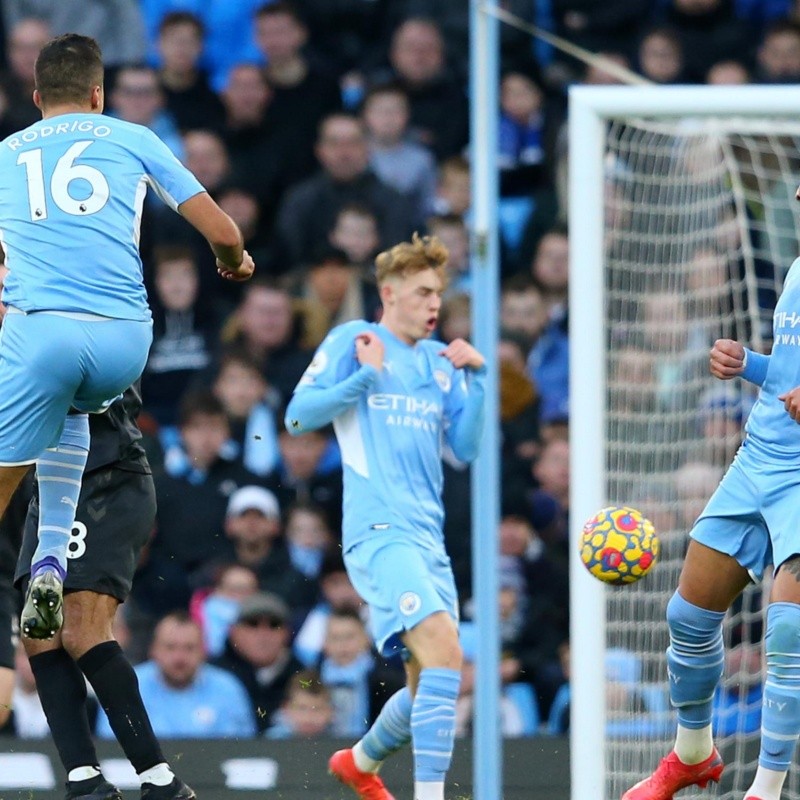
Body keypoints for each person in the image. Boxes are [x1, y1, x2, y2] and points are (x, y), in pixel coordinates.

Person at [0, 33, 254, 641]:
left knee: (9, 464)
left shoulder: (7, 152)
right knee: (71, 410)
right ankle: (50, 564)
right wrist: (236, 260)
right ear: (98, 94)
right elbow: (221, 229)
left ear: (36, 97)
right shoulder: (133, 137)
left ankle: (41, 562)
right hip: (126, 342)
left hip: (42, 335)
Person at [284, 233, 486, 800]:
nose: (433, 305)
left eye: (438, 295)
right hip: (378, 533)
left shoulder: (437, 361)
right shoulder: (356, 339)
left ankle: (361, 760)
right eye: (423, 293)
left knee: (430, 686)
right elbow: (298, 419)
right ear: (389, 292)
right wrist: (364, 378)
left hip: (429, 540)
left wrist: (479, 380)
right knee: (448, 649)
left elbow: (466, 450)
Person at [622, 252, 800, 800]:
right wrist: (750, 364)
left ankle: (766, 790)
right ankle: (693, 753)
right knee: (689, 613)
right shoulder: (797, 269)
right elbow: (790, 373)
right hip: (759, 458)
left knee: (788, 629)